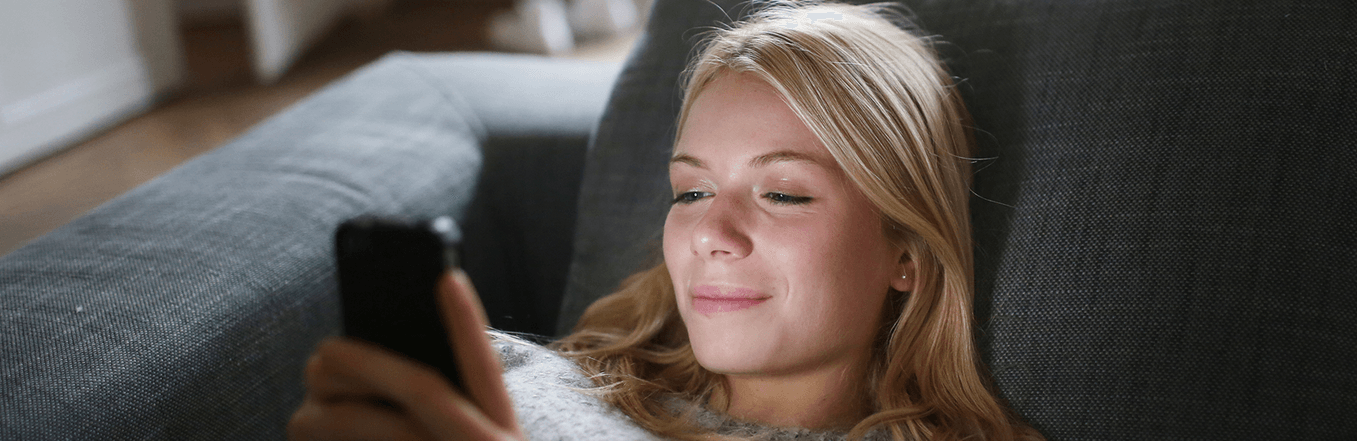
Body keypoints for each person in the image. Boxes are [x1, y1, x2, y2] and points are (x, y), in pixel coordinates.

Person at [288, 1, 1044, 440]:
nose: (712, 233)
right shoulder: (512, 373)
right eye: (691, 192)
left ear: (906, 251)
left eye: (783, 194)